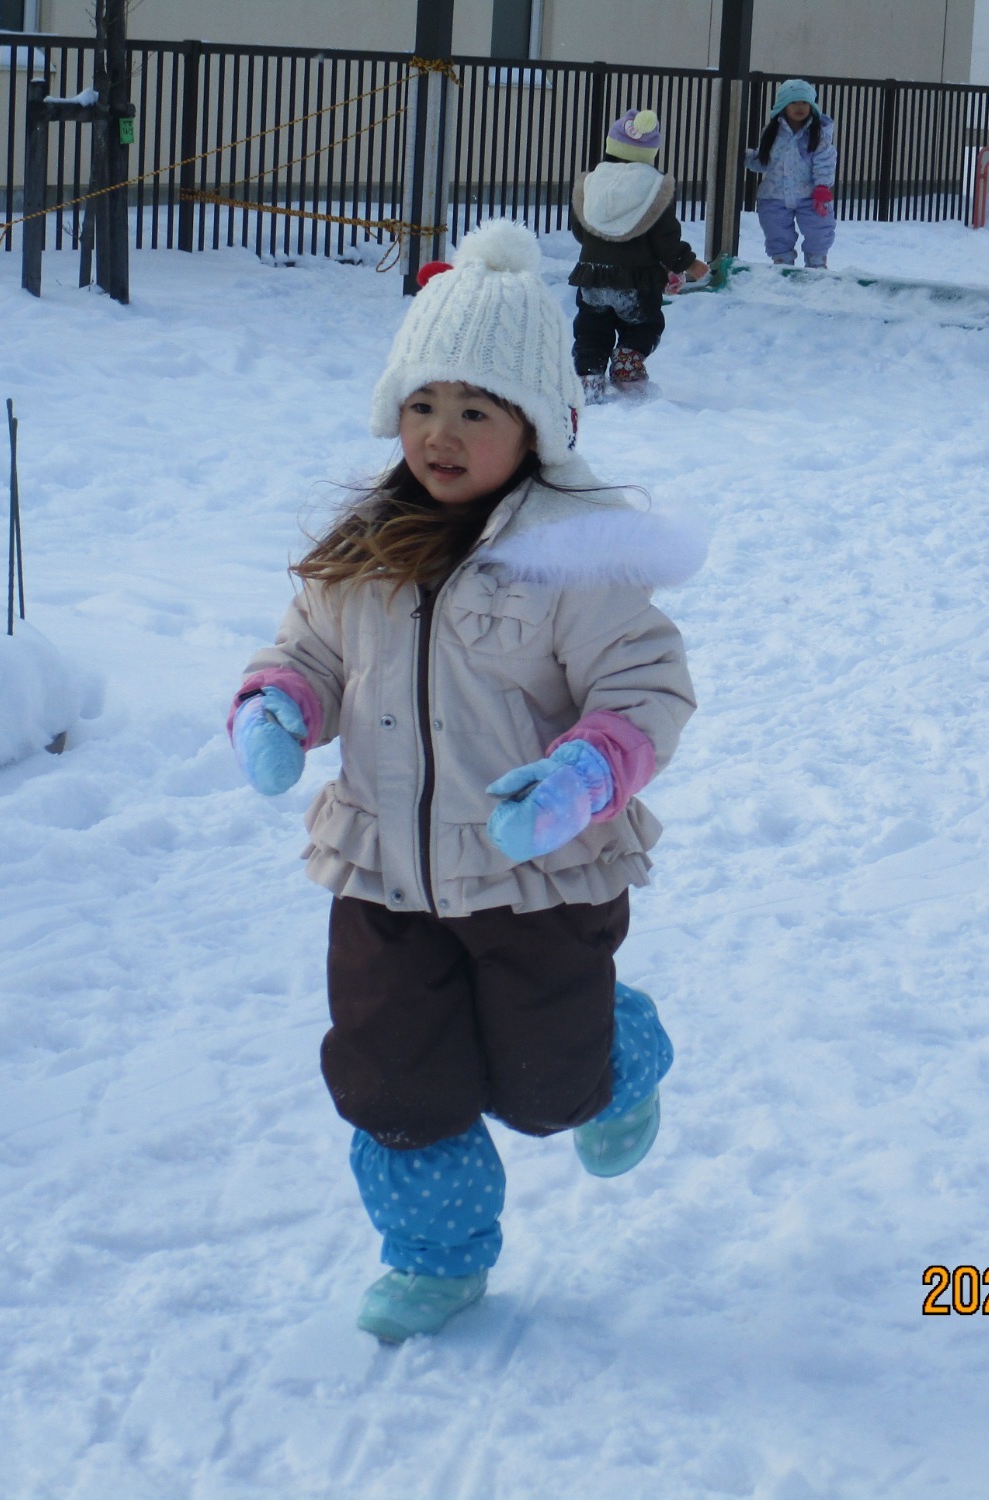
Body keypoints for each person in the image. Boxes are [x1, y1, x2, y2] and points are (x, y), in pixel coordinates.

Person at [229, 220, 702, 1344]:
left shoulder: (573, 559)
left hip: (535, 877)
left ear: (534, 427)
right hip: (383, 874)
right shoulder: (362, 552)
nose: (440, 433)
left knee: (545, 1086)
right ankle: (436, 1260)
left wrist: (585, 775)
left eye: (475, 410)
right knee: (395, 1088)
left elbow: (645, 690)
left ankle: (616, 1059)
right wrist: (279, 706)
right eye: (421, 403)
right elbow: (307, 650)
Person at [569, 108, 710, 401]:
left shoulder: (592, 181)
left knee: (592, 328)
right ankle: (627, 363)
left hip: (592, 275)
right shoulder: (654, 186)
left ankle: (589, 378)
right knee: (642, 323)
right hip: (637, 280)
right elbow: (665, 238)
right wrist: (686, 263)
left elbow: (580, 230)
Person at [745, 79, 838, 268]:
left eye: (805, 102)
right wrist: (746, 157)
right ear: (783, 105)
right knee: (776, 230)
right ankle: (783, 263)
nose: (800, 107)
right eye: (794, 102)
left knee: (818, 229)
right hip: (774, 194)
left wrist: (822, 186)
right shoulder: (772, 132)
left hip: (810, 194)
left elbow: (825, 161)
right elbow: (766, 161)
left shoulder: (818, 134)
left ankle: (816, 262)